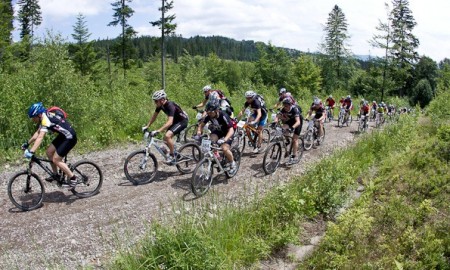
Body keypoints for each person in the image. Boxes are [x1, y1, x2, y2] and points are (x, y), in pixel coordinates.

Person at [23, 102, 78, 188]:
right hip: (63, 136)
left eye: (33, 118)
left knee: (56, 159)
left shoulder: (45, 119)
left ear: (39, 115)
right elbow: (37, 133)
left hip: (70, 137)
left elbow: (40, 137)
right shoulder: (44, 117)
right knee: (49, 152)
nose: (33, 120)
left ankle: (73, 178)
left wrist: (32, 151)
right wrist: (27, 143)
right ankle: (56, 175)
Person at [142, 90, 189, 165]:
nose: (155, 103)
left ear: (162, 100)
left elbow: (170, 122)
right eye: (154, 101)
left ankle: (172, 155)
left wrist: (158, 130)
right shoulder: (160, 105)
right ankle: (176, 153)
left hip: (182, 121)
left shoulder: (170, 105)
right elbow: (154, 116)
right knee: (165, 139)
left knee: (167, 136)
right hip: (175, 121)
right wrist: (147, 126)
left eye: (156, 101)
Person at [196, 99, 236, 170]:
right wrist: (198, 134)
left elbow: (231, 129)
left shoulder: (223, 115)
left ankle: (232, 162)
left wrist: (225, 139)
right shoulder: (209, 115)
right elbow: (201, 126)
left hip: (228, 132)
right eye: (208, 112)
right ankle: (217, 157)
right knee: (211, 142)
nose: (209, 114)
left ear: (216, 110)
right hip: (219, 130)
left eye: (211, 112)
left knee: (224, 148)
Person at [272, 97, 302, 165]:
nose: (285, 107)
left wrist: (292, 128)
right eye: (284, 105)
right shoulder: (283, 109)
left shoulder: (294, 109)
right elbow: (278, 116)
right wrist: (275, 122)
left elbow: (298, 122)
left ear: (290, 105)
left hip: (298, 122)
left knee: (294, 139)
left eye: (286, 105)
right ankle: (287, 141)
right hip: (290, 121)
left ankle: (294, 156)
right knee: (282, 129)